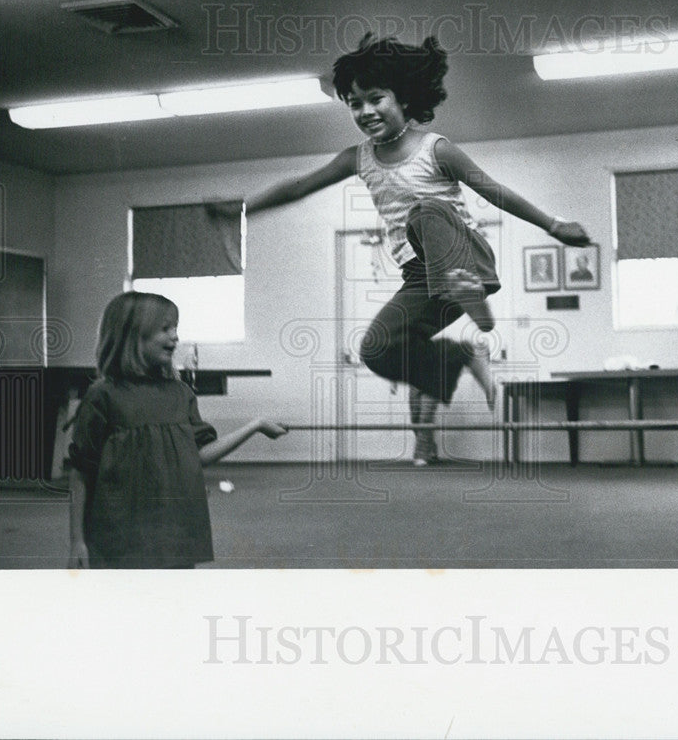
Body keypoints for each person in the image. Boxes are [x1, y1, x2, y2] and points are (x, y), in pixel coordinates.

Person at [243, 33, 590, 466]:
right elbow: (299, 186)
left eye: (375, 99)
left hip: (465, 256)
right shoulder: (357, 158)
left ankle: (465, 288)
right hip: (422, 280)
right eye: (354, 103)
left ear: (403, 97)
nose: (365, 111)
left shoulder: (435, 149)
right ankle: (461, 353)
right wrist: (242, 209)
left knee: (424, 212)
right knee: (375, 349)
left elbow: (495, 191)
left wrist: (553, 225)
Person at [68, 292, 288, 568]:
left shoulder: (180, 394)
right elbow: (81, 472)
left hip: (173, 534)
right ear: (133, 335)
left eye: (176, 328)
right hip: (119, 536)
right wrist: (77, 540)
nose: (175, 337)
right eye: (165, 329)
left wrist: (255, 425)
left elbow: (200, 455)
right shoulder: (103, 396)